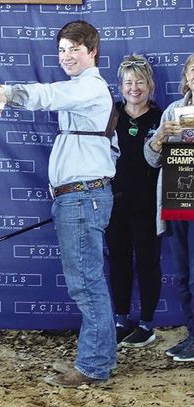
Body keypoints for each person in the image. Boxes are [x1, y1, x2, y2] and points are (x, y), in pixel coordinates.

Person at [1, 20, 117, 386]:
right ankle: (99, 360)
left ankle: (94, 366)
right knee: (88, 281)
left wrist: (3, 93)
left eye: (74, 50)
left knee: (86, 283)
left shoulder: (89, 88)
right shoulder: (81, 88)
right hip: (80, 197)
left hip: (83, 197)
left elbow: (46, 96)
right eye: (62, 50)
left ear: (92, 52)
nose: (66, 56)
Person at [105, 55, 163, 348]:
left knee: (148, 263)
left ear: (150, 85)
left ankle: (146, 324)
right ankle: (120, 319)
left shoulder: (161, 117)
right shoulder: (111, 114)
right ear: (121, 86)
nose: (134, 88)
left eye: (139, 81)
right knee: (118, 261)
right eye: (128, 82)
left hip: (149, 206)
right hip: (114, 202)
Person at [144, 54, 194, 362]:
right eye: (193, 70)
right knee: (183, 275)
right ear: (186, 76)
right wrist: (161, 136)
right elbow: (151, 159)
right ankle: (192, 335)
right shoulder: (174, 111)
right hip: (177, 199)